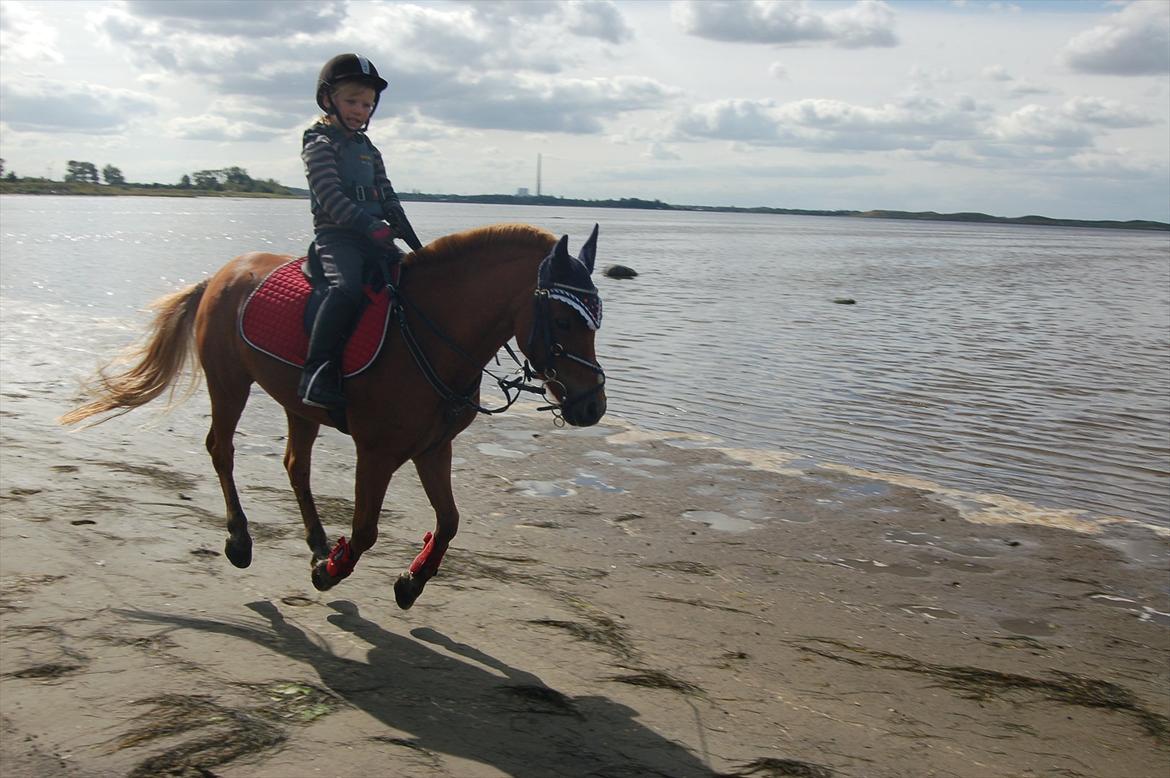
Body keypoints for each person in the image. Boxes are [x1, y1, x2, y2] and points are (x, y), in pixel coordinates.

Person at [299, 53, 424, 410]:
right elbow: (330, 196)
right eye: (352, 101)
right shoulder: (319, 143)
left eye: (367, 104)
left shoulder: (369, 150)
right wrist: (371, 227)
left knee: (412, 282)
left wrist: (400, 224)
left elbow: (386, 193)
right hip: (338, 238)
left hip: (374, 238)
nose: (359, 110)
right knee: (347, 289)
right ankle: (316, 372)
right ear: (329, 100)